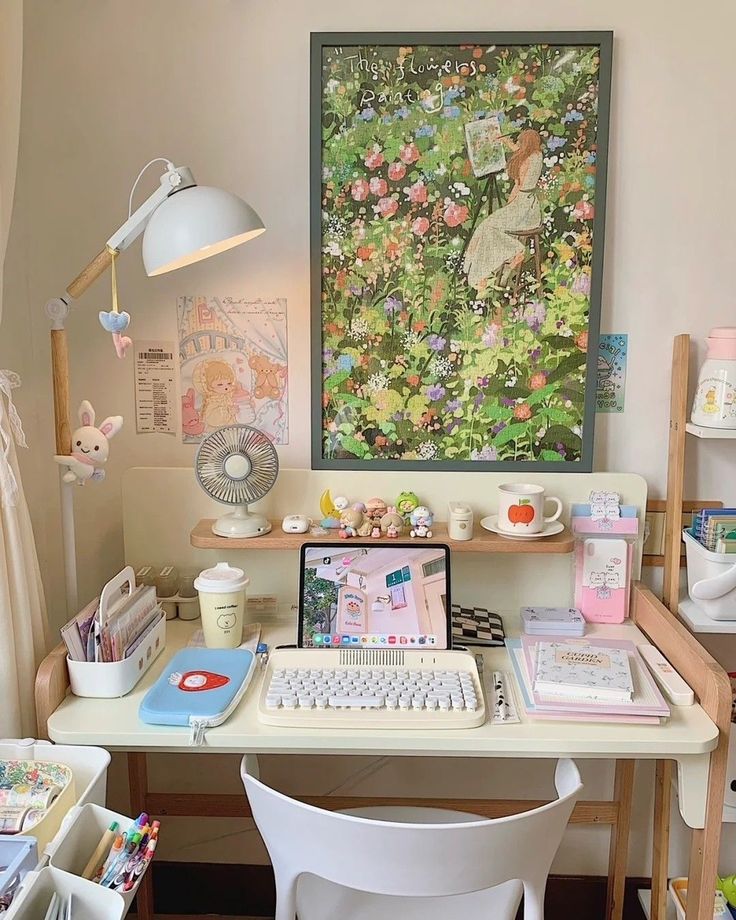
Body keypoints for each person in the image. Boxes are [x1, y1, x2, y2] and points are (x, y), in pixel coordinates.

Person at [463, 128, 543, 291]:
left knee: (486, 227)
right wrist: (506, 142)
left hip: (521, 207)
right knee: (488, 226)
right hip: (532, 209)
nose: (519, 146)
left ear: (525, 145)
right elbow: (521, 151)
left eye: (521, 143)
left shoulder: (525, 161)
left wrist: (508, 206)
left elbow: (517, 187)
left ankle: (482, 271)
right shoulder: (537, 156)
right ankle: (482, 269)